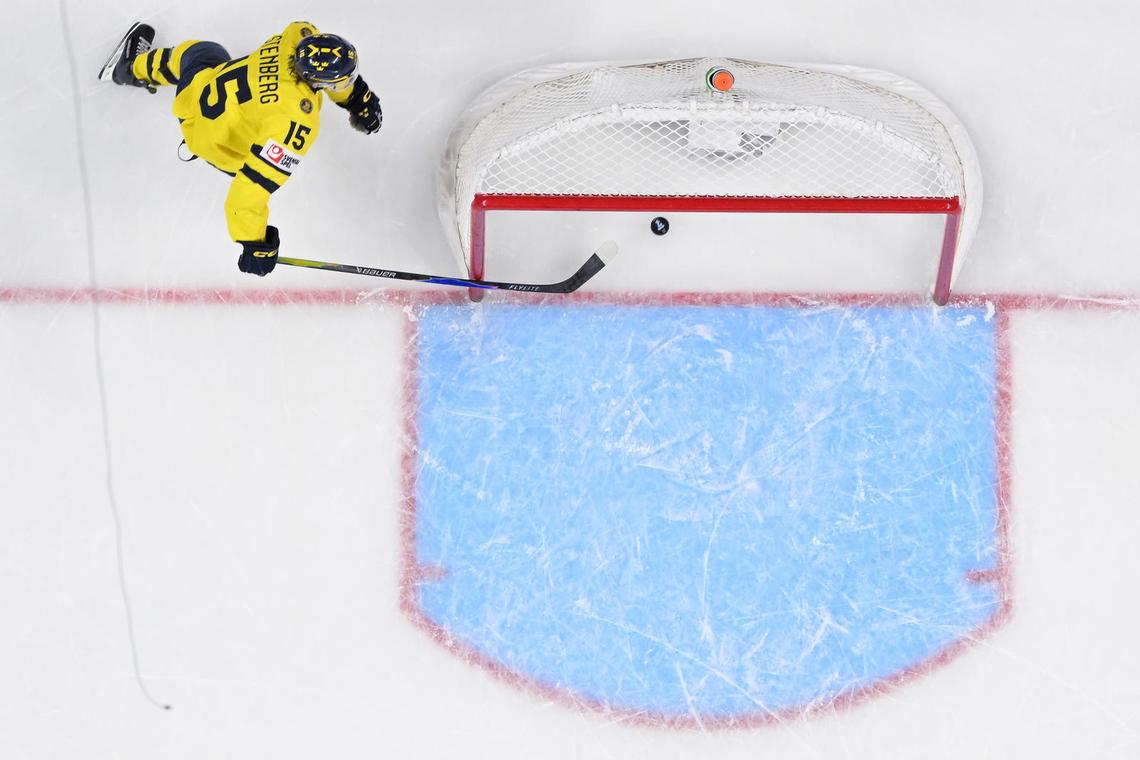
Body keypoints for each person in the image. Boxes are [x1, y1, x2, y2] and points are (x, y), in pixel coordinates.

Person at [99, 21, 382, 276]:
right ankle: (125, 70)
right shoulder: (294, 123)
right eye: (344, 82)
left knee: (201, 52)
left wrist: (356, 96)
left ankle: (133, 68)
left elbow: (324, 64)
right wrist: (254, 242)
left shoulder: (295, 37)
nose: (347, 83)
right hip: (214, 142)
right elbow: (247, 195)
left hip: (200, 90)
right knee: (256, 166)